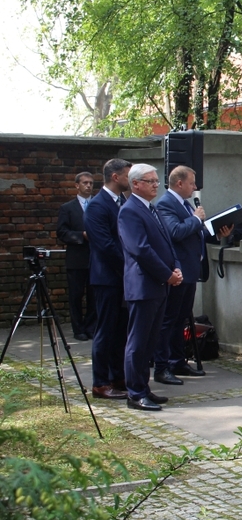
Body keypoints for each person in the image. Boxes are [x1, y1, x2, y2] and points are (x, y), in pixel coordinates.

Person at [154, 165, 228, 385]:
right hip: (176, 271)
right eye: (192, 183)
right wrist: (196, 219)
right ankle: (162, 365)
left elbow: (196, 234)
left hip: (190, 271)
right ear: (179, 183)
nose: (195, 187)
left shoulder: (185, 204)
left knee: (181, 319)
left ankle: (178, 361)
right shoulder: (165, 204)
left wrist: (217, 232)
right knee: (168, 320)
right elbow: (175, 232)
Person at [118, 163, 182, 411]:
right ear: (136, 184)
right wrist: (167, 275)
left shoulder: (151, 208)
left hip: (160, 285)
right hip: (144, 286)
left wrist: (175, 267)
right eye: (151, 181)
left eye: (157, 181)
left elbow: (166, 244)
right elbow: (141, 250)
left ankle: (144, 388)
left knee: (151, 341)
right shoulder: (129, 211)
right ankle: (135, 393)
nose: (157, 185)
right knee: (138, 342)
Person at [83, 159, 131, 400]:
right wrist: (129, 266)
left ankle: (117, 375)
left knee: (120, 330)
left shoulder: (122, 201)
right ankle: (100, 382)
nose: (130, 180)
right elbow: (106, 245)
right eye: (127, 175)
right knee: (105, 330)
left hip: (123, 278)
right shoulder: (97, 206)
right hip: (107, 277)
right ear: (115, 177)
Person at [57, 171, 96, 341]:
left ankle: (91, 326)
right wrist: (81, 236)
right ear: (77, 185)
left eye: (91, 183)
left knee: (94, 295)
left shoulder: (97, 205)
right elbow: (62, 232)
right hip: (77, 258)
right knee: (76, 295)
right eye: (85, 183)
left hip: (95, 258)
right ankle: (78, 328)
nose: (88, 186)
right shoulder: (67, 208)